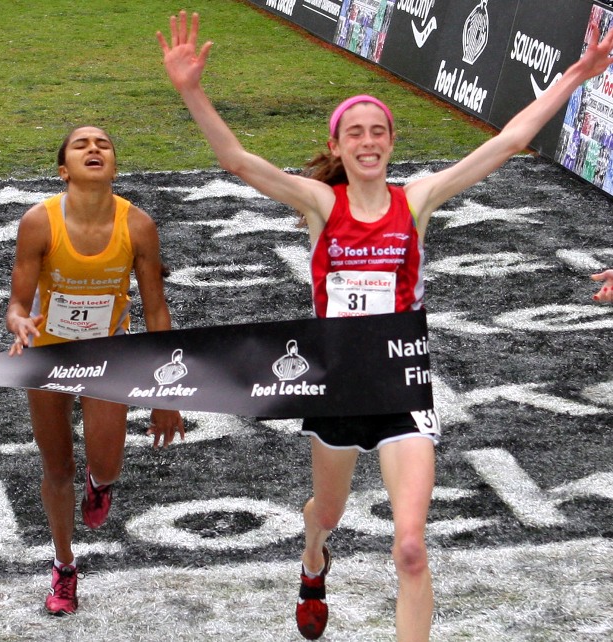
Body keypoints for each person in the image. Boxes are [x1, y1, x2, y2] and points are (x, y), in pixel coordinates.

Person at [157, 12, 613, 641]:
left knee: (411, 548)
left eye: (379, 132)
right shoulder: (321, 203)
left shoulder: (417, 200)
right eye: (356, 133)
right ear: (337, 146)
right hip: (338, 388)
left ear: (392, 143)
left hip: (402, 385)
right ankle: (313, 558)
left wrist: (575, 76)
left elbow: (509, 141)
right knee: (328, 513)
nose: (368, 142)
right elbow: (236, 160)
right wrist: (191, 90)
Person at [6, 125, 185, 616]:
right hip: (48, 354)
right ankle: (64, 566)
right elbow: (18, 302)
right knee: (57, 468)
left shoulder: (138, 225)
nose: (93, 148)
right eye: (81, 144)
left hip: (108, 356)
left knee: (107, 465)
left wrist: (167, 395)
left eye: (103, 143)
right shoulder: (39, 222)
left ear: (114, 166)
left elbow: (156, 310)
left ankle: (99, 483)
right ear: (63, 170)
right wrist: (19, 320)